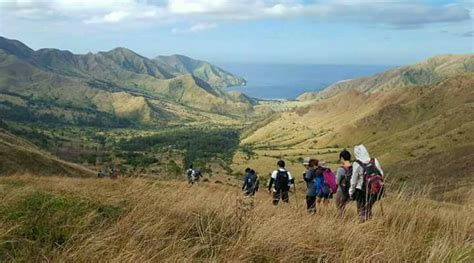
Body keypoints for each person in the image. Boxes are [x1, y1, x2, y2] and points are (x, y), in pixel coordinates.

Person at [349, 145, 384, 222]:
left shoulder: (357, 163)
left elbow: (353, 181)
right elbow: (381, 174)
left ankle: (364, 228)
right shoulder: (374, 160)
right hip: (373, 191)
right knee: (369, 208)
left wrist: (351, 192)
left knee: (361, 211)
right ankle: (370, 224)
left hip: (361, 191)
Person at [335, 149, 352, 216]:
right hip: (349, 190)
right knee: (343, 206)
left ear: (342, 158)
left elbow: (337, 182)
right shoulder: (353, 167)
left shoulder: (341, 169)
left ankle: (341, 222)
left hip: (341, 191)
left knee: (339, 207)